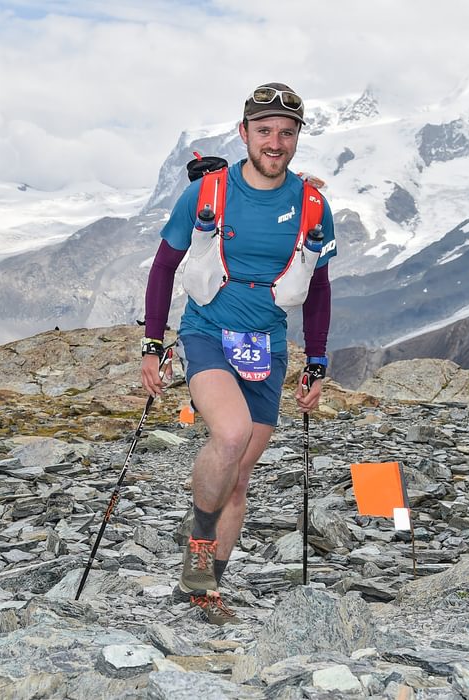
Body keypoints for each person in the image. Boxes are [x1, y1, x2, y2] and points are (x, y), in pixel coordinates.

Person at [140, 82, 336, 624]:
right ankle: (198, 539)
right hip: (208, 331)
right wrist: (153, 344)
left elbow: (317, 289)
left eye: (287, 132)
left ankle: (202, 588)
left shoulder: (313, 204)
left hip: (267, 348)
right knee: (229, 435)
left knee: (238, 480)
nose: (275, 142)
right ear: (244, 131)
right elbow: (163, 267)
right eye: (265, 130)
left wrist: (316, 361)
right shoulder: (206, 194)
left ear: (297, 138)